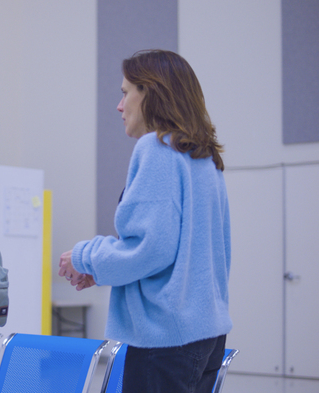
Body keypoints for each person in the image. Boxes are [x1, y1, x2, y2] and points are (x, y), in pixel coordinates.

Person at [58, 49, 232, 393]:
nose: (119, 106)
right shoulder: (203, 157)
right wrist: (104, 269)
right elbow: (181, 254)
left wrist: (84, 257)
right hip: (207, 336)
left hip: (166, 341)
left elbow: (148, 250)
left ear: (149, 93)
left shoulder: (157, 148)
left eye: (125, 93)